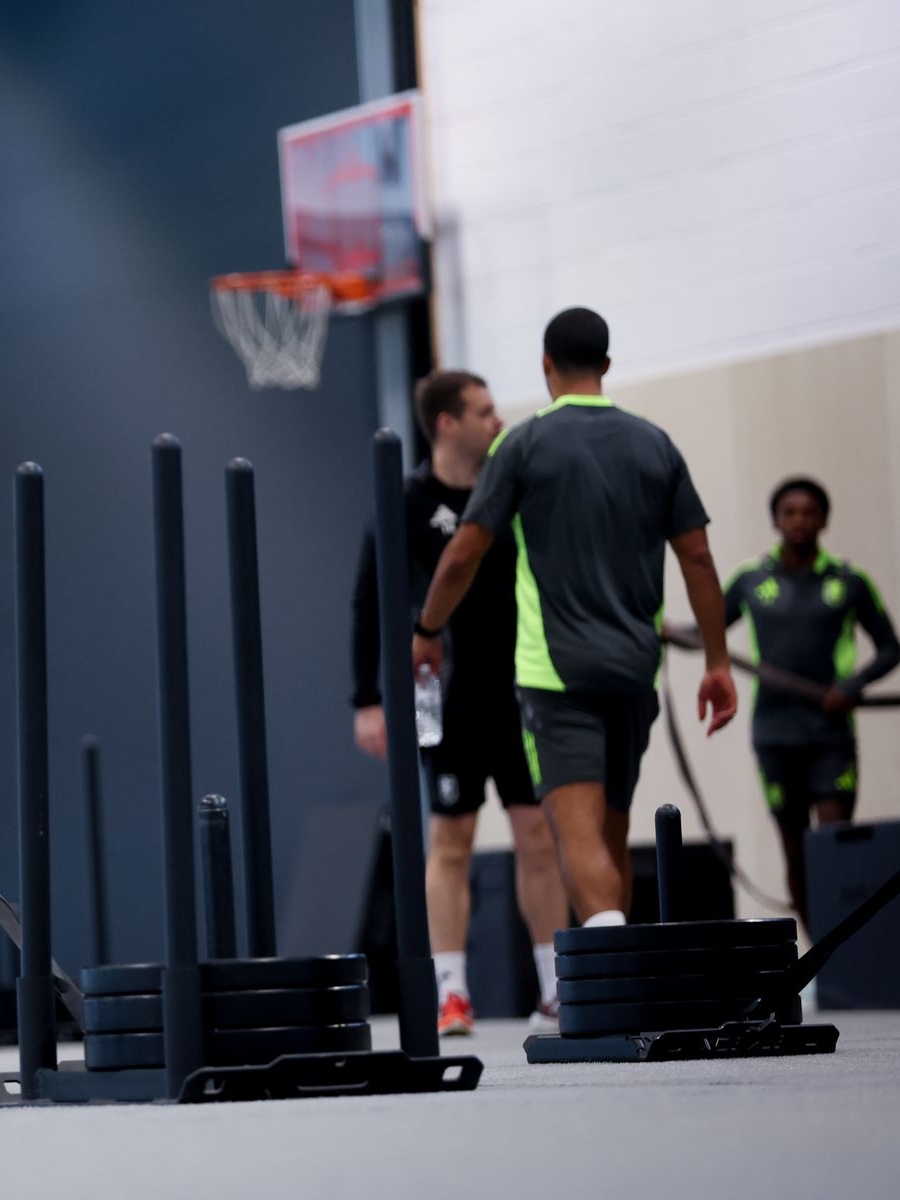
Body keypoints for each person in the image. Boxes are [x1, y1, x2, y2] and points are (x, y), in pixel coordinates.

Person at [412, 308, 738, 927]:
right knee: (613, 829)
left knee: (578, 833)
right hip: (634, 669)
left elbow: (464, 553)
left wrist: (427, 630)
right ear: (607, 366)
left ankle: (613, 974)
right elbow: (698, 557)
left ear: (546, 366)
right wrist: (717, 663)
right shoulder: (654, 443)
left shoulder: (524, 444)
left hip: (556, 676)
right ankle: (623, 977)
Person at [351, 370, 567, 1035]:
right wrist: (366, 699)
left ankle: (557, 989)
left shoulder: (511, 487)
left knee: (537, 834)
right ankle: (452, 993)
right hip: (444, 697)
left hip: (520, 687)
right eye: (483, 411)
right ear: (447, 423)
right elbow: (368, 599)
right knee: (451, 838)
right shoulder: (408, 499)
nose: (496, 419)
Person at [721, 477, 898, 929]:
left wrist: (853, 686)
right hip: (775, 734)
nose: (799, 520)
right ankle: (817, 955)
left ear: (823, 519)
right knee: (795, 850)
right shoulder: (749, 581)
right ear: (776, 520)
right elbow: (708, 630)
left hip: (830, 734)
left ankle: (849, 956)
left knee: (833, 841)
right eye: (790, 512)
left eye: (809, 512)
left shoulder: (848, 581)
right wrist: (657, 628)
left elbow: (890, 648)